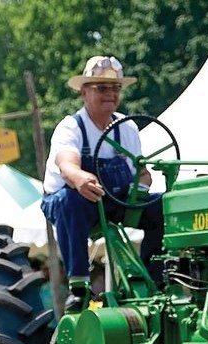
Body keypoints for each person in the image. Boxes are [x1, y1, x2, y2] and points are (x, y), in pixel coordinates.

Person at [40, 55, 165, 311]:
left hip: (115, 200)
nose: (110, 94)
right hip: (75, 203)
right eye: (102, 88)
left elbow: (142, 174)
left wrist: (139, 189)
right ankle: (78, 286)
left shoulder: (126, 128)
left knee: (163, 206)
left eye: (115, 88)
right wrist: (79, 177)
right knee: (69, 200)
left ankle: (156, 281)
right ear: (84, 92)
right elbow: (66, 164)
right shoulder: (72, 127)